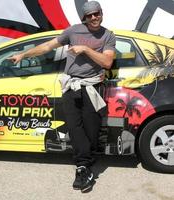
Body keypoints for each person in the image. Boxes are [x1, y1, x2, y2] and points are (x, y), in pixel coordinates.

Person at [8, 1, 116, 193]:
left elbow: (107, 62)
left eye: (96, 14)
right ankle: (83, 168)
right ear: (84, 17)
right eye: (89, 15)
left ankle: (85, 163)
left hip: (93, 86)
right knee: (75, 128)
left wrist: (85, 49)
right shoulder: (73, 31)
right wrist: (23, 55)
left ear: (101, 13)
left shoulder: (108, 35)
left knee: (91, 131)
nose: (93, 18)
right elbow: (48, 46)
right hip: (71, 86)